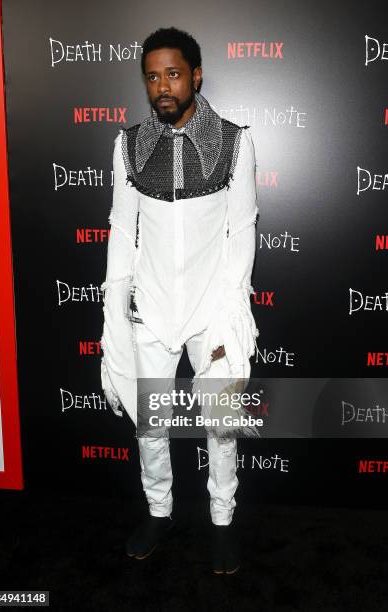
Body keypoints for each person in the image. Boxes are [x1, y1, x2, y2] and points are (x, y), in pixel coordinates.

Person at [100, 26, 260, 575]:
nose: (162, 86)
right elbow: (122, 230)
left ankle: (223, 520)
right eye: (152, 76)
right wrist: (118, 309)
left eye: (172, 73)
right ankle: (159, 511)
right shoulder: (128, 145)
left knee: (221, 423)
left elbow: (243, 232)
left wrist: (230, 311)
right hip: (152, 311)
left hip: (211, 309)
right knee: (151, 424)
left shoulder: (236, 143)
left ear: (195, 75)